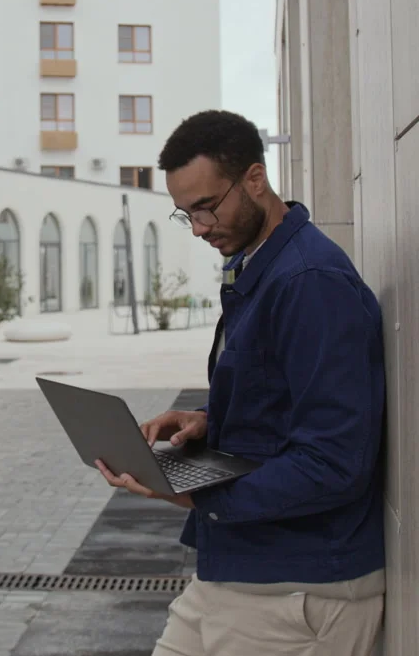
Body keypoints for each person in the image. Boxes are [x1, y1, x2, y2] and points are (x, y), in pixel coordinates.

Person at [96, 110, 386, 656]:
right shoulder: (259, 269)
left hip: (298, 592)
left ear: (255, 179)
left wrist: (194, 494)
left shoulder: (310, 283)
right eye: (186, 215)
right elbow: (284, 400)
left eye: (206, 208)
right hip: (237, 570)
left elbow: (335, 462)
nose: (201, 228)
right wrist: (208, 423)